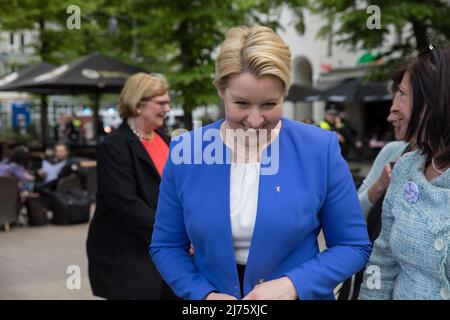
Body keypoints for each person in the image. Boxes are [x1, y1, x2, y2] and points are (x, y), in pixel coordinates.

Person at [150, 25, 372, 300]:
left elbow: (353, 245)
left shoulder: (320, 149)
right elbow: (167, 246)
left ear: (285, 92)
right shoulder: (186, 150)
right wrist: (204, 295)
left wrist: (292, 285)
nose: (255, 120)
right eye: (241, 103)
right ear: (220, 90)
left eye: (269, 104)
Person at [359, 45, 450, 300]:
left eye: (402, 94)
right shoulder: (406, 167)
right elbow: (382, 260)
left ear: (434, 102)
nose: (391, 112)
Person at [86, 72, 172, 299]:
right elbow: (126, 203)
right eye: (161, 103)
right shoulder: (115, 146)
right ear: (138, 104)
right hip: (127, 253)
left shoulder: (163, 138)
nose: (167, 108)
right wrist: (171, 235)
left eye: (168, 102)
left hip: (162, 248)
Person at [338, 67, 411, 299]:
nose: (391, 114)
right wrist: (379, 186)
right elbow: (350, 218)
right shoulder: (391, 152)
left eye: (402, 96)